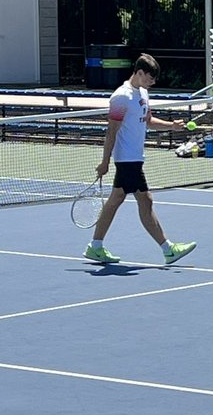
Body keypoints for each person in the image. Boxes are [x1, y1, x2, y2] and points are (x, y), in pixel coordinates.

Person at [83, 53, 198, 266]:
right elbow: (111, 132)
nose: (152, 82)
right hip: (127, 159)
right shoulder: (121, 97)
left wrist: (171, 125)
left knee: (118, 199)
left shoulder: (143, 93)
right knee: (145, 200)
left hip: (136, 157)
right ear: (139, 72)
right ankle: (168, 249)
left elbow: (148, 120)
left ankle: (95, 246)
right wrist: (105, 161)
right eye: (149, 78)